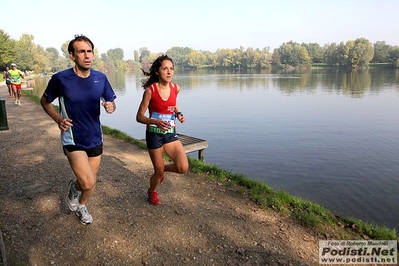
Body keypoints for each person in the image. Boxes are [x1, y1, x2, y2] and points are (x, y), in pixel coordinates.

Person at [40, 35, 117, 225]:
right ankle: (75, 188)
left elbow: (111, 102)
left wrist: (110, 106)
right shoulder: (61, 79)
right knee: (87, 182)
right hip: (73, 137)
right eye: (81, 51)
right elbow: (45, 101)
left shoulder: (101, 78)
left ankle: (81, 204)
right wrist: (58, 119)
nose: (87, 55)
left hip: (95, 137)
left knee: (91, 180)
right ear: (72, 55)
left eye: (89, 51)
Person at [136, 55, 188, 205]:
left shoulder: (175, 88)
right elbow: (139, 117)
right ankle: (152, 191)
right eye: (165, 68)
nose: (169, 72)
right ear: (158, 72)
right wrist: (155, 121)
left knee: (182, 167)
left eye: (171, 68)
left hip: (170, 132)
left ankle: (161, 170)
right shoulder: (150, 91)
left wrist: (178, 113)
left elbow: (172, 104)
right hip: (154, 134)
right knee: (157, 172)